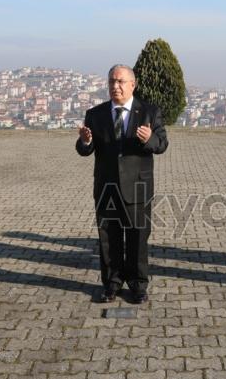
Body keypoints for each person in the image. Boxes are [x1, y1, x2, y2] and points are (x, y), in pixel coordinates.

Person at [76, 64, 168, 304]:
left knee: (137, 238)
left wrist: (150, 139)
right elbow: (85, 150)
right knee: (109, 239)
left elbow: (162, 144)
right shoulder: (95, 114)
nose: (114, 86)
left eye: (119, 82)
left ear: (132, 85)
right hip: (106, 187)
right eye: (111, 82)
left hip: (138, 186)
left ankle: (138, 285)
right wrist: (85, 142)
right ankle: (112, 284)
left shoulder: (149, 112)